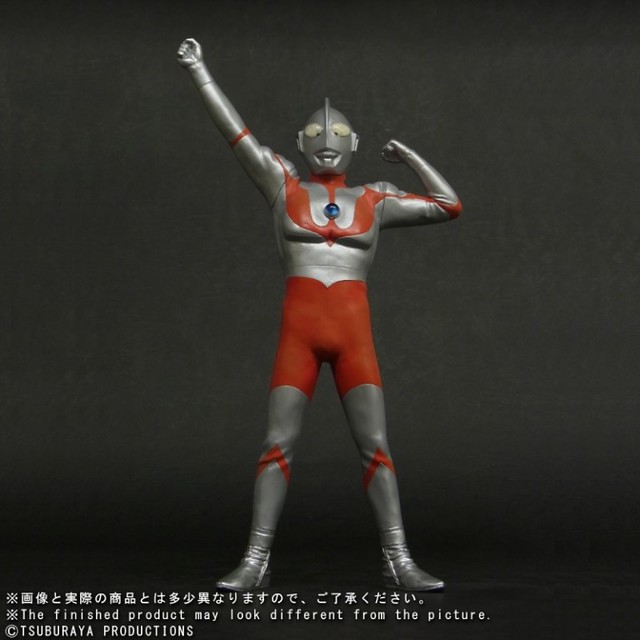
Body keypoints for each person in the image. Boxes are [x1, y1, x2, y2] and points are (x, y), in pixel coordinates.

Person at [177, 37, 462, 592]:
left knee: (376, 448)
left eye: (336, 136)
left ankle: (399, 559)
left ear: (354, 144)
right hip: (301, 336)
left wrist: (408, 157)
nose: (326, 142)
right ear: (300, 143)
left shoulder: (376, 199)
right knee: (276, 444)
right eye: (314, 133)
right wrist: (199, 70)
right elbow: (236, 134)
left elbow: (449, 205)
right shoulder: (281, 183)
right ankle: (255, 560)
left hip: (353, 338)